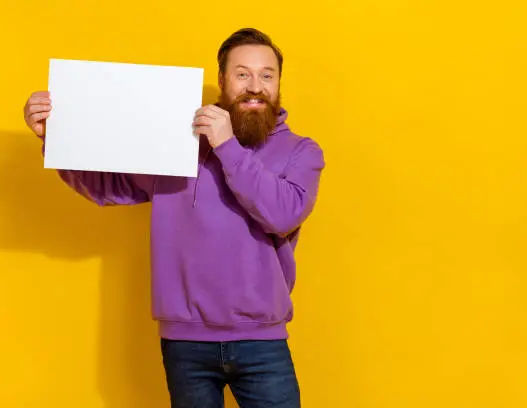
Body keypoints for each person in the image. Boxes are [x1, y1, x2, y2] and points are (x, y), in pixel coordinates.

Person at [23, 27, 325, 408]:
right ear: (222, 81)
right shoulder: (174, 143)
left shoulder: (302, 151)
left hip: (261, 343)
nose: (255, 86)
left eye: (267, 75)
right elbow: (109, 186)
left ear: (279, 82)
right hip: (186, 344)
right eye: (242, 73)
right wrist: (54, 136)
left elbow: (283, 214)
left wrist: (226, 146)